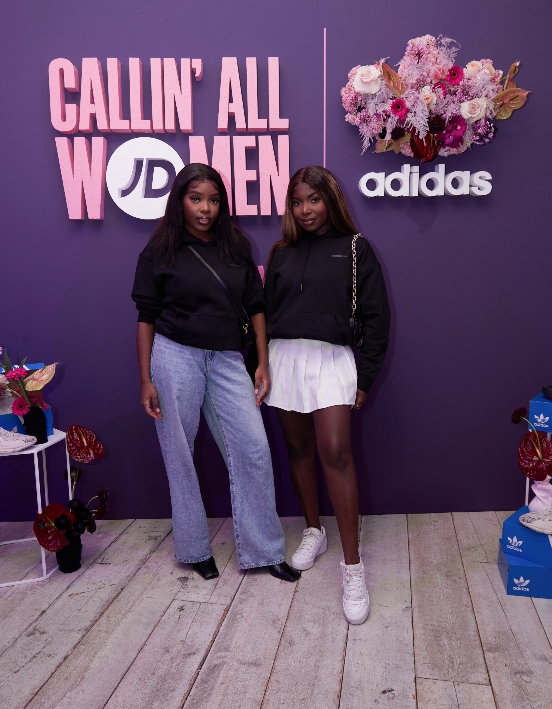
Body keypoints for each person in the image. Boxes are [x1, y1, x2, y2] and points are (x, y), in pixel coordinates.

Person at [131, 163, 299, 583]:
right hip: (174, 356)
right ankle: (193, 549)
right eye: (196, 199)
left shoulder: (235, 245)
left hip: (226, 359)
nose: (205, 208)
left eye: (213, 200)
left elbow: (256, 305)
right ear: (180, 201)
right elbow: (146, 317)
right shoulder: (159, 251)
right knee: (179, 454)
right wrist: (146, 378)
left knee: (253, 449)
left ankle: (264, 550)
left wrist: (262, 361)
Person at [264, 165, 390, 623]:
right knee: (298, 450)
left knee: (336, 452)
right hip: (284, 358)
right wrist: (259, 363)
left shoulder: (355, 248)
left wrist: (365, 378)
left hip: (332, 360)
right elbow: (265, 314)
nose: (305, 210)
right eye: (297, 202)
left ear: (330, 200)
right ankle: (314, 531)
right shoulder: (281, 252)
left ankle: (353, 569)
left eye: (314, 200)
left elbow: (377, 318)